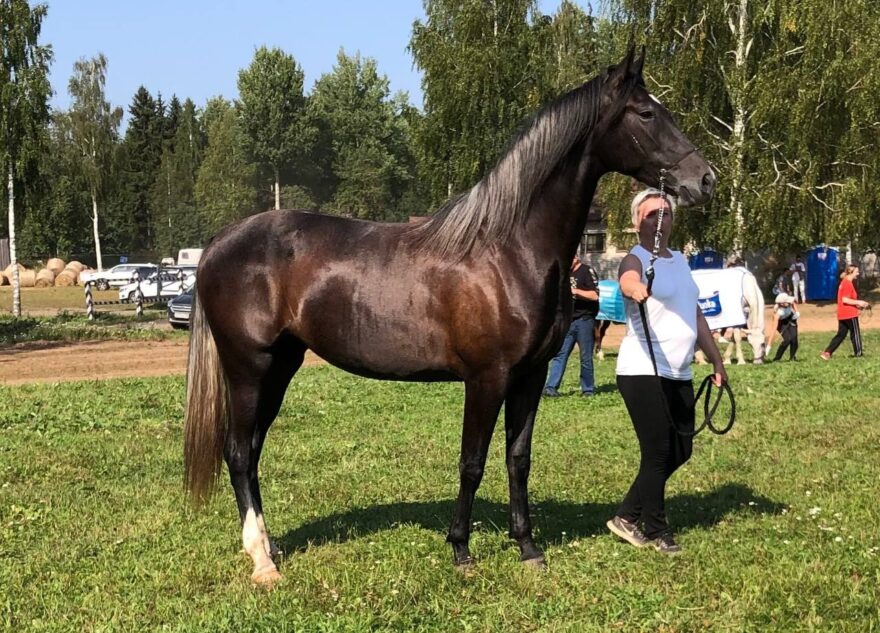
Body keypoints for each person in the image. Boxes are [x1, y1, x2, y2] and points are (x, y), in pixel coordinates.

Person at [607, 189, 727, 555]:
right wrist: (634, 288)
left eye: (666, 213)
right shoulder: (637, 258)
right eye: (650, 215)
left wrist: (717, 360)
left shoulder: (679, 260)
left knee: (682, 449)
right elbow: (626, 279)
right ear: (635, 222)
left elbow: (696, 314)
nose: (659, 220)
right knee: (658, 451)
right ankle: (657, 528)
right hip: (643, 370)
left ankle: (626, 516)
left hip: (680, 372)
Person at [542, 254, 600, 397]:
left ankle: (588, 389)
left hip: (584, 320)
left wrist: (575, 292)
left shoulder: (586, 271)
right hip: (568, 320)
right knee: (560, 355)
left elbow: (595, 295)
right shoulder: (564, 273)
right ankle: (551, 387)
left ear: (576, 258)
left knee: (585, 356)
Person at [820, 265, 869, 359]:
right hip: (850, 314)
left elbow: (848, 300)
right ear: (851, 272)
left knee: (841, 334)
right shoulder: (847, 283)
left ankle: (827, 352)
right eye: (857, 272)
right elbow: (845, 299)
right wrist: (859, 302)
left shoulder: (844, 282)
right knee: (855, 334)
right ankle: (858, 354)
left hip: (843, 314)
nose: (858, 274)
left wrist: (859, 306)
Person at [767, 292, 800, 361]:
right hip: (781, 323)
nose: (789, 301)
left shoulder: (788, 302)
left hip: (791, 318)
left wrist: (797, 312)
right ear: (782, 303)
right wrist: (769, 346)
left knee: (794, 339)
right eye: (787, 301)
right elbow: (773, 330)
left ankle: (792, 357)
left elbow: (793, 302)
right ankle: (777, 358)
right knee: (787, 339)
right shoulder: (778, 313)